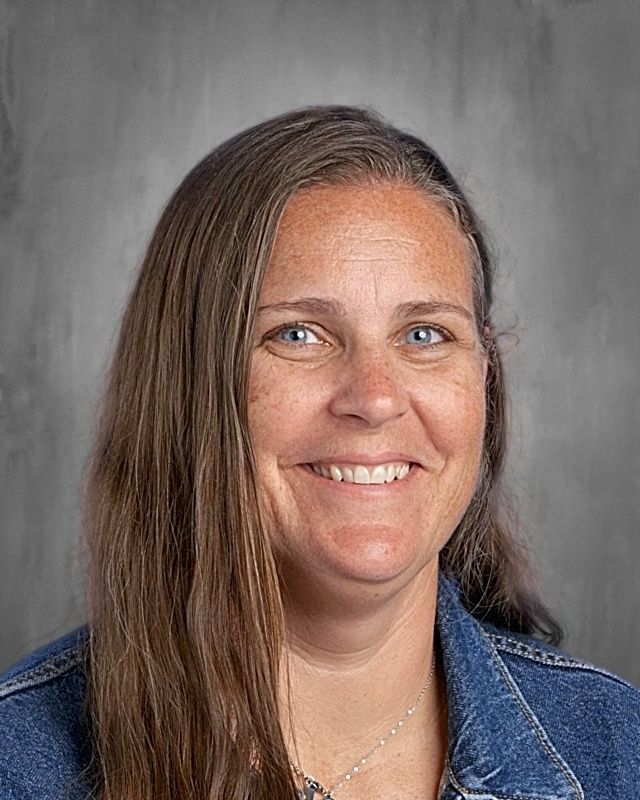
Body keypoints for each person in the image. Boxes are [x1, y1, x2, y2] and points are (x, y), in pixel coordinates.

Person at [0, 106, 638, 800]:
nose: (374, 396)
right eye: (299, 334)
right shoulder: (21, 766)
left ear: (485, 371)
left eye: (424, 334)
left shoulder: (615, 753)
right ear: (185, 385)